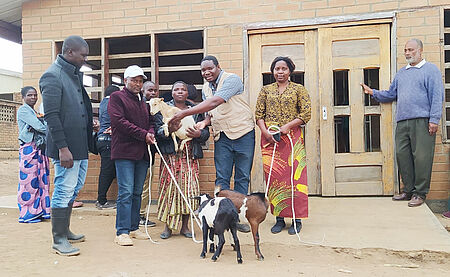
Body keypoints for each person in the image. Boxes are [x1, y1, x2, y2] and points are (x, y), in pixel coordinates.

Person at [169, 55, 255, 232]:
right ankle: (222, 216)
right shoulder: (206, 88)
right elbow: (212, 110)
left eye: (210, 68)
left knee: (242, 177)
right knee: (222, 178)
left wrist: (183, 114)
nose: (206, 72)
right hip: (222, 136)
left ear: (218, 67)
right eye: (203, 70)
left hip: (243, 133)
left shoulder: (232, 80)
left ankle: (238, 217)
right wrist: (204, 123)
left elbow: (216, 101)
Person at [361, 38, 444, 207]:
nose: (407, 53)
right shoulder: (401, 73)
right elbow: (392, 94)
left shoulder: (430, 70)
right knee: (403, 156)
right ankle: (408, 190)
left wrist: (434, 119)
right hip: (402, 121)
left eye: (411, 50)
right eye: (405, 50)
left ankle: (420, 193)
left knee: (422, 158)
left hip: (423, 121)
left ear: (420, 50)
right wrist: (373, 92)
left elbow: (437, 96)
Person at [40, 35, 96, 256]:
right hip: (67, 148)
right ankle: (59, 239)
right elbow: (51, 116)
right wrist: (63, 148)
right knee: (63, 189)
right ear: (70, 52)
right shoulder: (52, 76)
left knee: (74, 187)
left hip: (79, 146)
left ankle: (66, 230)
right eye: (83, 55)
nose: (85, 59)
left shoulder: (71, 75)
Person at [255, 57, 311, 235]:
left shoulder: (299, 89)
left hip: (291, 138)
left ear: (290, 71)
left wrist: (287, 126)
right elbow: (258, 114)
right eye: (276, 69)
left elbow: (306, 113)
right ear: (272, 71)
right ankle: (279, 218)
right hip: (270, 139)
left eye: (283, 69)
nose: (280, 72)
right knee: (275, 178)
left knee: (295, 178)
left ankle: (296, 219)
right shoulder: (266, 90)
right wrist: (265, 132)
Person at [155, 81, 210, 239]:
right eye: (176, 89)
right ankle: (168, 227)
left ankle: (185, 227)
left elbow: (205, 133)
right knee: (169, 190)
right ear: (171, 93)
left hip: (189, 156)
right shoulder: (164, 109)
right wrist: (168, 130)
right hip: (171, 156)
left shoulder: (196, 110)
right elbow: (158, 131)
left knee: (189, 190)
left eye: (183, 89)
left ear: (188, 93)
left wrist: (199, 135)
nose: (179, 92)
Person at [108, 65, 155, 246]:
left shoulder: (142, 100)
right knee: (126, 192)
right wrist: (144, 134)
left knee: (136, 192)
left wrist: (150, 132)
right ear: (125, 80)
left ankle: (134, 228)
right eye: (134, 80)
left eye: (140, 81)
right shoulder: (116, 97)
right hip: (124, 152)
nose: (137, 83)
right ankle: (122, 232)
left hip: (141, 153)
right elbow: (119, 122)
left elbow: (150, 121)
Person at [17, 86, 51, 223]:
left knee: (39, 179)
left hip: (38, 148)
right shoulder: (23, 110)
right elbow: (39, 126)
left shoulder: (33, 111)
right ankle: (27, 213)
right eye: (30, 95)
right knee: (29, 181)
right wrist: (49, 128)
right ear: (23, 97)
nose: (33, 98)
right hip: (29, 149)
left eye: (35, 95)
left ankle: (39, 211)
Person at [95, 85, 120, 210]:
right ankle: (101, 200)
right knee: (107, 172)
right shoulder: (112, 103)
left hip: (102, 141)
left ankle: (102, 199)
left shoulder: (103, 103)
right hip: (108, 141)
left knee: (109, 171)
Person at [139, 81, 158, 226]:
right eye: (149, 90)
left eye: (155, 90)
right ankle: (139, 216)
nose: (153, 93)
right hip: (138, 152)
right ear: (142, 91)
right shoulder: (141, 106)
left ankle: (141, 214)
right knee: (140, 185)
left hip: (149, 153)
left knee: (146, 185)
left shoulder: (156, 107)